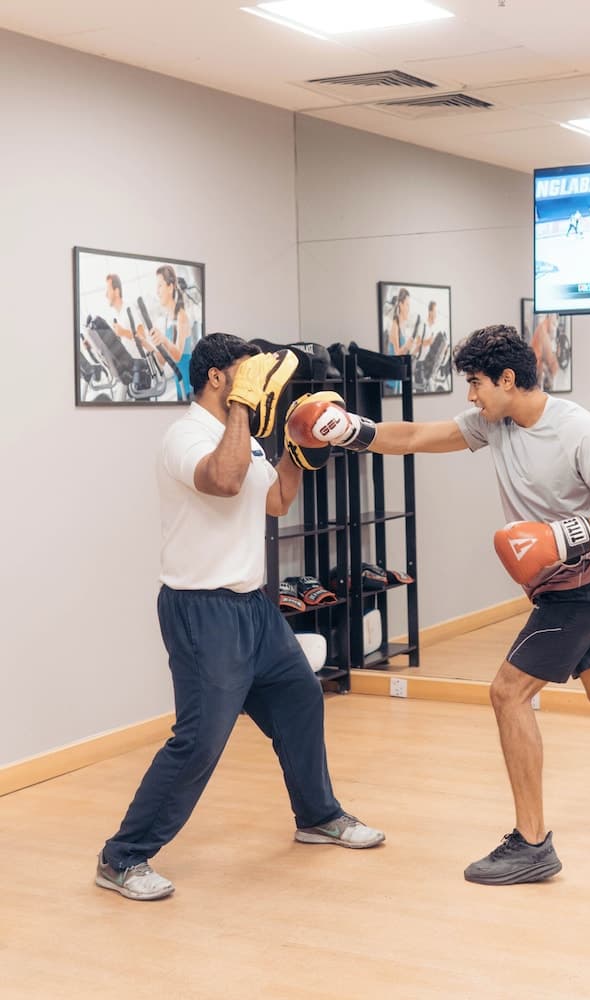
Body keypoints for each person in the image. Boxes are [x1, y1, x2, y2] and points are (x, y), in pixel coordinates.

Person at [293, 325, 590, 885]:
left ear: (506, 379)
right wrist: (353, 430)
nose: (470, 395)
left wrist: (561, 539)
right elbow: (419, 435)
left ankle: (533, 843)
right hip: (570, 583)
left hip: (582, 586)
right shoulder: (493, 423)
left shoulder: (577, 429)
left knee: (508, 692)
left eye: (476, 383)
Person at [95, 333, 385, 902]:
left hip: (254, 607)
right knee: (200, 740)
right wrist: (244, 408)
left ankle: (318, 816)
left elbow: (275, 501)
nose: (259, 383)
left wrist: (299, 449)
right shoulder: (185, 435)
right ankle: (122, 856)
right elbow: (224, 483)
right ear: (217, 377)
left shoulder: (244, 438)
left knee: (301, 701)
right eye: (247, 372)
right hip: (202, 610)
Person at [141, 264, 193, 401]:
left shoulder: (182, 316)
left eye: (160, 286)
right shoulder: (167, 319)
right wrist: (146, 344)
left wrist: (163, 339)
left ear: (170, 287)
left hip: (190, 389)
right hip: (180, 389)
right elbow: (163, 360)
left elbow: (178, 356)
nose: (157, 291)